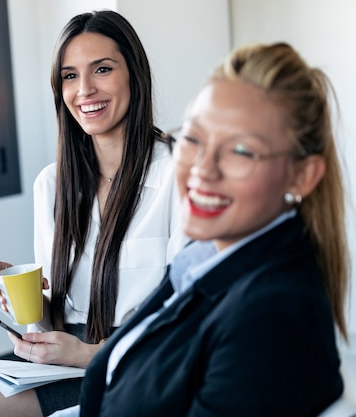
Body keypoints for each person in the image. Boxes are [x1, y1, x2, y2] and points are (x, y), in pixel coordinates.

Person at [0, 10, 184, 417]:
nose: (85, 90)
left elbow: (186, 316)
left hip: (137, 362)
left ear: (133, 74)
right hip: (62, 358)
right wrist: (28, 301)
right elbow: (49, 321)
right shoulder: (52, 184)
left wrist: (89, 353)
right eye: (70, 76)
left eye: (102, 69)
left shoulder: (178, 172)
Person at [54, 42, 349, 417]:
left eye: (241, 151)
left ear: (303, 176)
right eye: (193, 139)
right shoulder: (200, 260)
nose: (202, 170)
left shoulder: (273, 318)